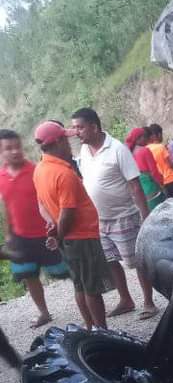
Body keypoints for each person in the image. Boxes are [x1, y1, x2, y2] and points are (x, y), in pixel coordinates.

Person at [71, 107, 157, 319]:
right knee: (110, 261)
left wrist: (146, 218)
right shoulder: (84, 151)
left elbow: (135, 185)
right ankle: (126, 300)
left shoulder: (117, 149)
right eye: (74, 128)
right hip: (99, 220)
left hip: (124, 217)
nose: (76, 132)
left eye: (80, 127)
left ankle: (149, 302)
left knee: (137, 261)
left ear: (94, 127)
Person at [33, 121, 112, 330]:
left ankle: (90, 329)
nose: (69, 144)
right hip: (80, 237)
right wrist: (58, 233)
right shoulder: (64, 174)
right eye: (66, 140)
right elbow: (67, 212)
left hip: (67, 238)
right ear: (58, 142)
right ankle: (103, 332)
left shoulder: (40, 169)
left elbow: (41, 204)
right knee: (92, 289)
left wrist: (53, 226)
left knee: (80, 285)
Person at [0, 129, 68, 327]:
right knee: (30, 276)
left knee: (67, 271)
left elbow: (49, 200)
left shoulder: (37, 171)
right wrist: (8, 233)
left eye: (17, 146)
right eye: (8, 148)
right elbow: (7, 207)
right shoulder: (1, 176)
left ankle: (89, 302)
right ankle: (44, 313)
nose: (15, 151)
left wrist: (56, 225)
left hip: (47, 234)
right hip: (20, 237)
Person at [125, 128, 165, 211]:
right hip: (152, 187)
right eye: (145, 136)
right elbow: (154, 172)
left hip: (142, 190)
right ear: (138, 138)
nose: (147, 139)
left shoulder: (130, 153)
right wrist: (161, 185)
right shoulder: (145, 150)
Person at [145, 124, 173, 199]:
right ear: (159, 134)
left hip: (160, 183)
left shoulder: (146, 149)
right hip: (171, 179)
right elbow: (171, 164)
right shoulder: (161, 147)